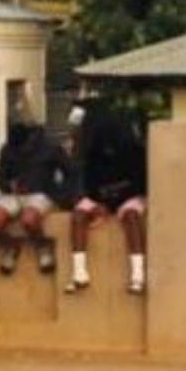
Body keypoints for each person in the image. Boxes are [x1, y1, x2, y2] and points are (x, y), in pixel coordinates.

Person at [65, 103, 148, 295]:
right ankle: (79, 274)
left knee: (132, 217)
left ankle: (137, 275)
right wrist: (98, 204)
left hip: (128, 197)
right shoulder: (93, 153)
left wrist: (111, 204)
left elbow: (139, 184)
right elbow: (89, 184)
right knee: (78, 215)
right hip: (100, 197)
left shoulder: (135, 152)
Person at [0, 121, 74, 276]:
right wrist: (8, 186)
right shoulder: (8, 149)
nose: (20, 151)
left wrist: (58, 194)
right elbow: (0, 177)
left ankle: (42, 248)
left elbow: (71, 172)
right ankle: (11, 246)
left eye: (23, 148)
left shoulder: (51, 148)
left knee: (29, 220)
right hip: (13, 195)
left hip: (40, 194)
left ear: (30, 139)